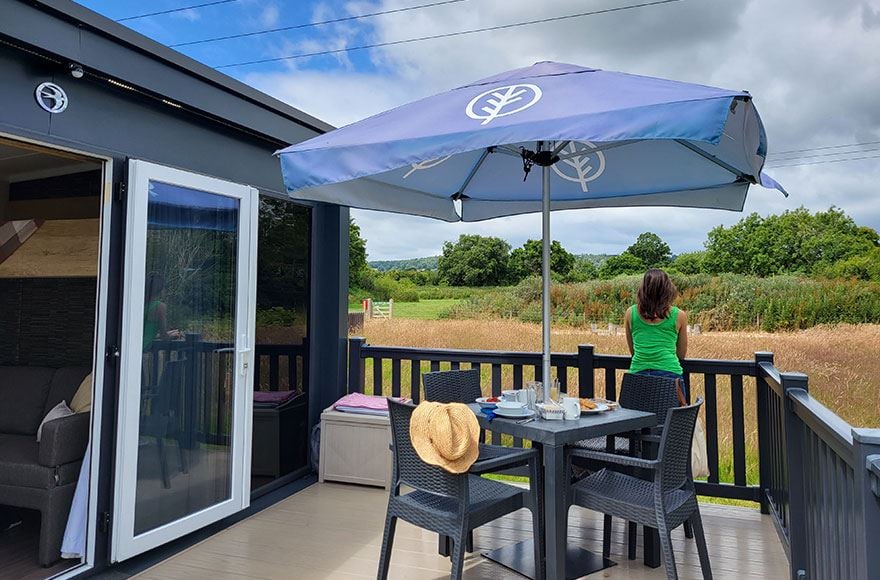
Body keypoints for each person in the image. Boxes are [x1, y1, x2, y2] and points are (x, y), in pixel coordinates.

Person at [624, 268, 689, 398]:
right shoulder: (679, 315)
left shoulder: (631, 313)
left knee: (636, 418)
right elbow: (681, 354)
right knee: (670, 417)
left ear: (643, 289)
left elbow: (633, 351)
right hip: (670, 375)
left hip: (638, 374)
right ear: (667, 290)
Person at [143, 272, 182, 352]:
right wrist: (172, 335)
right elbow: (164, 337)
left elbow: (145, 333)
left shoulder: (141, 304)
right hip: (144, 347)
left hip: (135, 344)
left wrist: (167, 333)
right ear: (160, 289)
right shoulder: (160, 307)